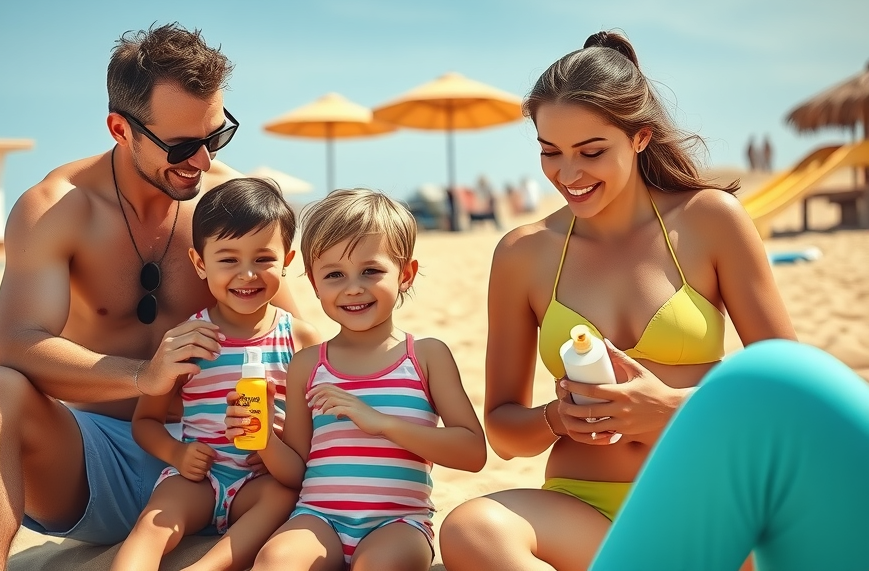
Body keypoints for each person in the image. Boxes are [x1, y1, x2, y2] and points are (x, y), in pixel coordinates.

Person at [0, 24, 302, 570]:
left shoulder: (227, 202)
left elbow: (298, 340)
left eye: (216, 136)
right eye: (181, 146)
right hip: (98, 465)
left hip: (233, 462)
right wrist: (142, 377)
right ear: (120, 128)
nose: (202, 162)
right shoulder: (57, 208)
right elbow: (16, 345)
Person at [439, 31, 796, 571]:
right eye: (549, 152)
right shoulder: (523, 254)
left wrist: (670, 409)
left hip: (706, 493)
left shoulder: (709, 221)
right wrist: (556, 418)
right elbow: (504, 430)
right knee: (471, 529)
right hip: (581, 509)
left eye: (591, 151)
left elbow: (787, 393)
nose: (568, 174)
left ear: (640, 137)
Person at [232, 188, 487, 570]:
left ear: (406, 274)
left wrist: (381, 423)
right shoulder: (307, 365)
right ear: (315, 285)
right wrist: (265, 436)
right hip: (317, 517)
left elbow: (472, 453)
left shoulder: (426, 356)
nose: (353, 287)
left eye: (371, 270)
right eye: (334, 275)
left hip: (398, 523)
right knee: (275, 560)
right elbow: (298, 470)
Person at [111, 178, 321, 571]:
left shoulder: (299, 339)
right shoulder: (190, 339)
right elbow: (146, 422)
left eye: (263, 259)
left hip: (265, 480)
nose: (247, 275)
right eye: (228, 260)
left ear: (287, 261)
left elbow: (314, 438)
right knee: (153, 524)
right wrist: (177, 453)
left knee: (282, 497)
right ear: (200, 263)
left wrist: (270, 448)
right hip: (199, 478)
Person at [592, 339, 869, 571]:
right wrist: (556, 416)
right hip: (585, 497)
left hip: (723, 491)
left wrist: (671, 407)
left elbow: (786, 383)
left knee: (761, 382)